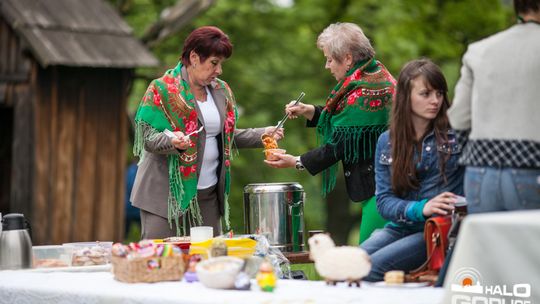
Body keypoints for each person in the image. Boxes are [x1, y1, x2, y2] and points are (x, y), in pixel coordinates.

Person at [131, 26, 283, 239]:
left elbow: (225, 137)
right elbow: (147, 138)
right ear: (194, 57)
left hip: (208, 196)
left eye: (221, 64)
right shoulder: (161, 89)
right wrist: (172, 141)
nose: (219, 70)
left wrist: (263, 134)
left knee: (209, 261)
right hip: (165, 197)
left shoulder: (221, 90)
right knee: (164, 261)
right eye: (214, 63)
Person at [264, 23, 395, 239]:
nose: (327, 66)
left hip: (382, 191)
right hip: (382, 186)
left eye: (330, 59)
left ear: (348, 58)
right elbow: (349, 122)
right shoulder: (374, 74)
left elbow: (340, 145)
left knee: (370, 260)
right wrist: (309, 111)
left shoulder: (363, 92)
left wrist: (297, 161)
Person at [360, 59, 464, 282]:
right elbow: (384, 202)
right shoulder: (387, 141)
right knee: (350, 262)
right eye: (425, 94)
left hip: (437, 231)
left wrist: (457, 204)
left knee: (367, 270)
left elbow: (478, 183)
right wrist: (421, 208)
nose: (435, 101)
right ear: (406, 96)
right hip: (399, 227)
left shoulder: (457, 135)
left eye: (439, 93)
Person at [447, 0, 540, 213]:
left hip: (479, 174)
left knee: (487, 246)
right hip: (532, 170)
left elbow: (459, 118)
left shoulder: (479, 50)